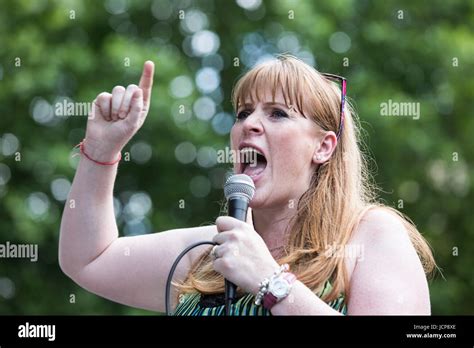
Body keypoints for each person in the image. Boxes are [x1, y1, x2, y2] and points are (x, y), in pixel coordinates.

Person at [59, 55, 435, 315]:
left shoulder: (370, 236)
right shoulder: (208, 254)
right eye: (243, 113)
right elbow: (88, 259)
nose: (248, 125)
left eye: (277, 113)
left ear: (323, 147)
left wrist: (271, 283)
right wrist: (100, 151)